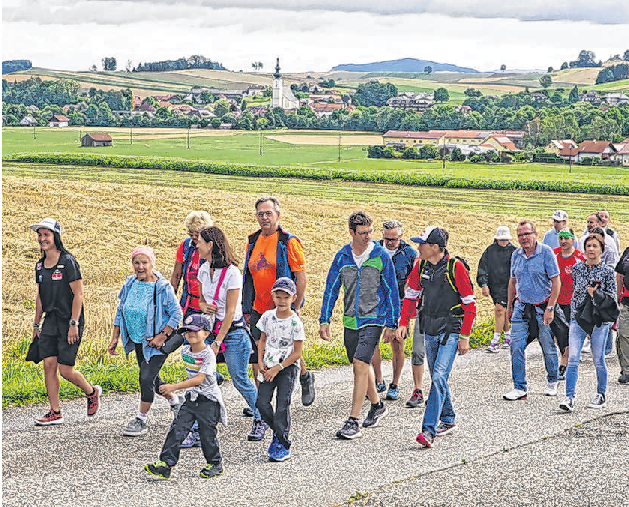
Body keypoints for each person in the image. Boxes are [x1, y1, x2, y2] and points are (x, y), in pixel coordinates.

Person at [320, 211, 399, 440]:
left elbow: (392, 290)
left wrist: (392, 324)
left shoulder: (380, 255)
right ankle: (377, 406)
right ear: (352, 232)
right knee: (360, 367)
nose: (368, 237)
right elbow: (331, 289)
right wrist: (325, 319)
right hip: (350, 320)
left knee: (359, 363)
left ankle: (353, 420)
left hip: (374, 318)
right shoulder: (342, 257)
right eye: (363, 233)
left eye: (370, 232)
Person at [399, 227, 476, 448]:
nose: (418, 247)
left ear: (435, 247)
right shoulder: (420, 265)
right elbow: (411, 295)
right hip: (429, 328)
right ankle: (449, 418)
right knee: (437, 377)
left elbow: (470, 305)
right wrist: (404, 322)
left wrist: (465, 336)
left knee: (439, 376)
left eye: (421, 243)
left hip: (451, 329)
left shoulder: (456, 268)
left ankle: (428, 430)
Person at [242, 196, 315, 407]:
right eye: (260, 214)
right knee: (259, 350)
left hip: (282, 306)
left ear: (278, 215)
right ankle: (261, 402)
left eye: (268, 213)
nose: (264, 218)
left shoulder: (288, 242)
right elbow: (247, 273)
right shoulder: (253, 240)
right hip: (258, 306)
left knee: (286, 348)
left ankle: (304, 375)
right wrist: (246, 306)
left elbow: (300, 276)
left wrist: (297, 306)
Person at [197, 226, 267, 441]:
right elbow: (200, 299)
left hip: (232, 332)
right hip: (209, 329)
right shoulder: (202, 269)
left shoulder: (232, 273)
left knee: (239, 379)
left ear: (210, 245)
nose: (196, 245)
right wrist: (203, 306)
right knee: (200, 377)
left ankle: (261, 418)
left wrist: (218, 341)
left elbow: (230, 312)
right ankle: (201, 426)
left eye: (199, 241)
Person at [30, 218, 101, 425]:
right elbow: (40, 296)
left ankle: (91, 392)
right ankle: (55, 411)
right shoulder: (39, 265)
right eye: (40, 234)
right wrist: (36, 324)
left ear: (55, 237)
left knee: (65, 369)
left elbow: (79, 294)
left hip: (70, 320)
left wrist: (74, 323)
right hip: (50, 320)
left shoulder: (68, 262)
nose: (42, 238)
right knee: (48, 364)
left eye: (46, 235)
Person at [108, 246, 183, 436]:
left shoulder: (162, 287)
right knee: (151, 376)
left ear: (152, 264)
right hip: (137, 340)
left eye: (144, 262)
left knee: (146, 378)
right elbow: (120, 309)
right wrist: (115, 337)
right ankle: (176, 402)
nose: (140, 267)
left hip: (155, 342)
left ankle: (141, 419)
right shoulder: (130, 283)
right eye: (136, 262)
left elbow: (176, 314)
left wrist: (162, 336)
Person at [144, 314, 227, 480]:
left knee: (206, 434)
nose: (191, 334)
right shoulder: (185, 350)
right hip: (192, 399)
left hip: (208, 401)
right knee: (177, 429)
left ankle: (215, 463)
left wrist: (173, 388)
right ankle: (166, 464)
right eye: (187, 331)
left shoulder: (208, 354)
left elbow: (198, 379)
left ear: (206, 333)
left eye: (195, 331)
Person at [559, 231, 618, 412]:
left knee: (598, 358)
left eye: (595, 246)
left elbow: (612, 297)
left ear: (602, 249)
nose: (591, 249)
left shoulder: (607, 271)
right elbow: (575, 291)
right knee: (574, 357)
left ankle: (601, 394)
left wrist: (596, 294)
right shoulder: (577, 268)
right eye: (588, 246)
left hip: (599, 319)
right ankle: (569, 397)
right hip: (578, 317)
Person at [503, 221, 560, 401]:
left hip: (542, 306)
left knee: (547, 346)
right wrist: (509, 307)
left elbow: (556, 281)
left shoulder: (546, 253)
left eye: (527, 234)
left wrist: (550, 308)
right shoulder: (516, 255)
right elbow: (513, 282)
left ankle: (553, 380)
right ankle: (520, 387)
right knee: (516, 346)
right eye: (520, 235)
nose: (523, 238)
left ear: (535, 234)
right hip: (522, 307)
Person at [256, 277, 305, 462]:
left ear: (293, 298)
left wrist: (278, 368)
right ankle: (278, 432)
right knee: (262, 403)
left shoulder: (295, 323)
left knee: (282, 404)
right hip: (268, 365)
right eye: (278, 296)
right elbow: (262, 340)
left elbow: (297, 352)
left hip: (286, 367)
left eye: (286, 297)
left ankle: (282, 444)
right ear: (273, 296)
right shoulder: (267, 317)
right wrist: (260, 362)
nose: (282, 301)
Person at [372, 220, 417, 401]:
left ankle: (395, 383)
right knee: (372, 341)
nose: (389, 242)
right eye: (386, 239)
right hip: (375, 303)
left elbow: (415, 281)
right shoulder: (373, 249)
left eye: (393, 239)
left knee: (398, 343)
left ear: (401, 236)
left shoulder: (410, 254)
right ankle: (378, 379)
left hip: (398, 303)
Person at [477, 226, 517, 352]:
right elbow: (482, 268)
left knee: (500, 309)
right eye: (502, 239)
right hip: (495, 286)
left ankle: (495, 340)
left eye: (506, 239)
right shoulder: (490, 251)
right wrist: (484, 284)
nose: (504, 242)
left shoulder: (515, 252)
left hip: (510, 286)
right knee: (502, 310)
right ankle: (507, 336)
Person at [553, 228, 585, 379]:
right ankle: (564, 359)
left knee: (570, 335)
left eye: (567, 238)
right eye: (561, 238)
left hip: (574, 303)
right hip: (556, 302)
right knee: (559, 335)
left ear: (573, 239)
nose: (563, 241)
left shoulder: (580, 258)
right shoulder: (553, 255)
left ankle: (564, 364)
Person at [170, 211, 214, 319]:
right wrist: (170, 300)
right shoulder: (185, 246)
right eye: (191, 233)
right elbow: (176, 275)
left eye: (197, 233)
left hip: (208, 305)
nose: (194, 236)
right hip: (188, 303)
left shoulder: (213, 248)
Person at [616, 246, 629, 384]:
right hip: (626, 301)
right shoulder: (627, 251)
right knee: (623, 335)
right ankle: (626, 371)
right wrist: (618, 295)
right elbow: (619, 273)